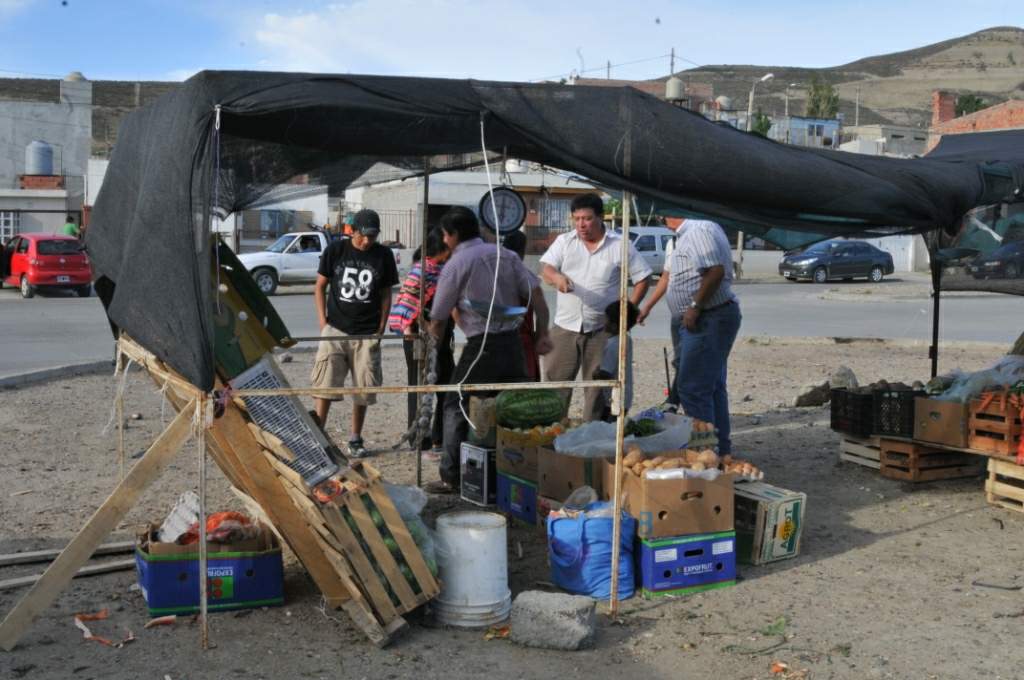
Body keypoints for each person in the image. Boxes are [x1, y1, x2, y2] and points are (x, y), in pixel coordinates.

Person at [425, 207, 552, 494]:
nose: (445, 241)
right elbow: (538, 295)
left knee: (455, 403)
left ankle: (452, 475)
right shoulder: (505, 255)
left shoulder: (457, 264)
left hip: (482, 345)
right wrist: (542, 333)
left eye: (445, 236)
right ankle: (516, 471)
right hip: (514, 344)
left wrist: (432, 345)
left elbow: (439, 315)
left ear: (452, 235)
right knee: (513, 407)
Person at [540, 192, 652, 420]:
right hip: (565, 327)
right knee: (556, 385)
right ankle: (551, 435)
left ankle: (591, 437)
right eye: (577, 218)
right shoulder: (564, 241)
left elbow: (643, 278)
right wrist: (557, 278)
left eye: (587, 218)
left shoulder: (620, 245)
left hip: (602, 330)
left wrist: (627, 310)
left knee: (597, 388)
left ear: (601, 218)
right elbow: (547, 269)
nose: (581, 224)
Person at [637, 218, 741, 455]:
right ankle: (718, 452)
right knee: (709, 386)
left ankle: (706, 456)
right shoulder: (680, 237)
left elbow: (715, 271)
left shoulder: (699, 230)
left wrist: (695, 306)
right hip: (696, 319)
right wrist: (648, 306)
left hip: (707, 318)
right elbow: (668, 276)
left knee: (693, 388)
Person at [310, 209, 399, 459]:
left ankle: (355, 438)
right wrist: (322, 322)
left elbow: (385, 293)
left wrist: (381, 328)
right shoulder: (336, 251)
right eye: (363, 236)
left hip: (367, 332)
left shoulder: (383, 255)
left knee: (363, 388)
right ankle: (319, 437)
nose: (367, 241)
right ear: (352, 231)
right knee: (325, 385)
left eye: (373, 236)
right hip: (335, 330)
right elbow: (319, 286)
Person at [388, 228, 455, 457]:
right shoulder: (422, 269)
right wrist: (409, 328)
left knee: (445, 386)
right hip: (418, 338)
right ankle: (419, 437)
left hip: (442, 339)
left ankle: (440, 437)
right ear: (441, 249)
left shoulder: (445, 270)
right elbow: (407, 300)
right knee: (419, 387)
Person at [500, 230, 540, 381]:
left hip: (496, 342)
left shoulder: (491, 274)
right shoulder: (527, 277)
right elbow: (541, 311)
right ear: (523, 252)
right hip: (522, 342)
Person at [592, 300, 638, 420]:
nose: (603, 322)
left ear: (614, 325)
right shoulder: (627, 339)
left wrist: (595, 373)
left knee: (609, 429)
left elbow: (605, 373)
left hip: (614, 398)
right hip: (626, 396)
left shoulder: (613, 344)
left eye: (606, 319)